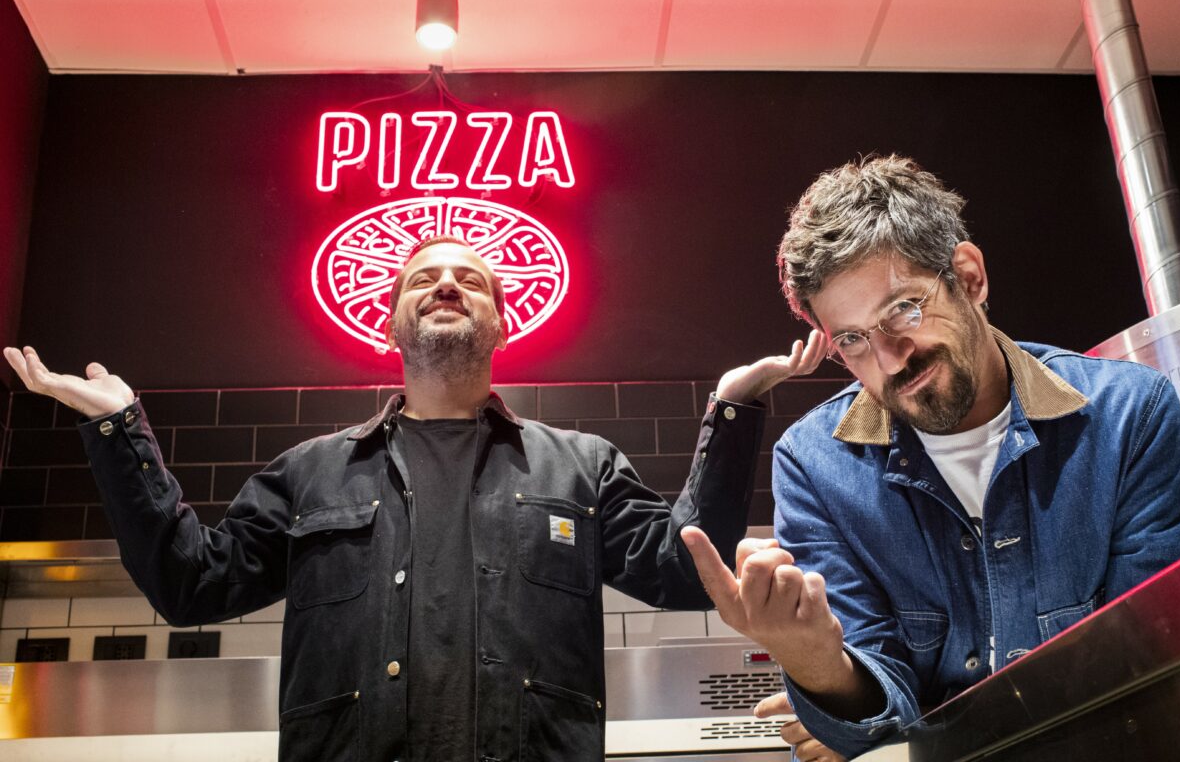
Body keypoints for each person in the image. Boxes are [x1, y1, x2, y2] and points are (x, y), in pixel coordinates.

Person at [4, 235, 825, 762]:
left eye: (471, 280)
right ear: (391, 325)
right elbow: (190, 586)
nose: (446, 286)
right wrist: (119, 430)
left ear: (503, 324)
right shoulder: (309, 472)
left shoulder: (583, 467)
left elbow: (687, 576)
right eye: (422, 280)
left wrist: (734, 405)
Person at [682, 155, 1180, 760]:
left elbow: (1150, 661)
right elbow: (872, 707)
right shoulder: (815, 465)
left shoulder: (1125, 415)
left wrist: (903, 723)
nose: (890, 358)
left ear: (970, 277)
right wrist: (818, 667)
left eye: (903, 308)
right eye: (850, 340)